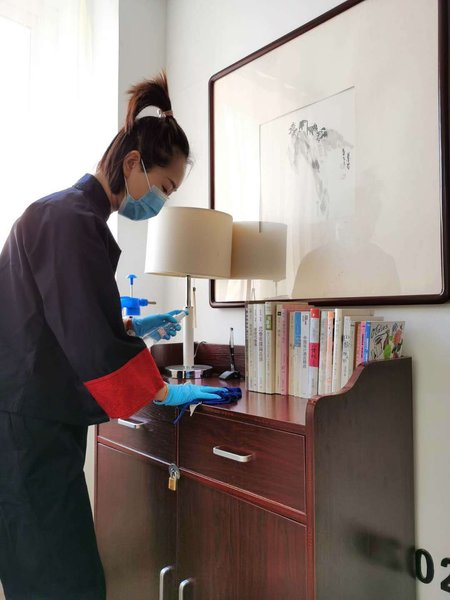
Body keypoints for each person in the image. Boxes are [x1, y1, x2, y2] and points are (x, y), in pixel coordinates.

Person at [0, 72, 224, 599]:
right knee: (64, 581)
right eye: (165, 187)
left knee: (48, 572)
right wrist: (162, 390)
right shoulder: (71, 220)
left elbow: (58, 321)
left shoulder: (67, 214)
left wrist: (127, 327)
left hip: (30, 425)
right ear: (133, 164)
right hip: (28, 432)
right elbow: (85, 336)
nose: (161, 202)